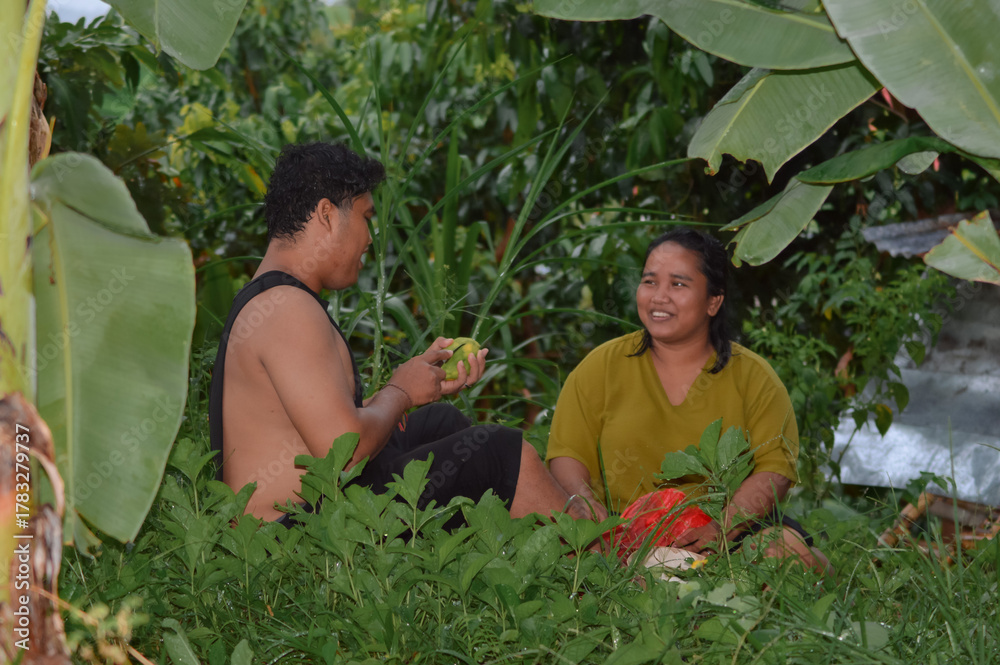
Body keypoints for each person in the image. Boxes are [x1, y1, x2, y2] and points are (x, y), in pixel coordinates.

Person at [209, 142, 591, 528]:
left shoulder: (272, 298)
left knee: (438, 422)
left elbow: (316, 428)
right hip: (286, 537)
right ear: (326, 214)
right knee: (499, 451)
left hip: (312, 510)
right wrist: (399, 392)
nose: (370, 238)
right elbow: (346, 452)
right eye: (365, 217)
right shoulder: (288, 309)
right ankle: (598, 565)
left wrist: (416, 386)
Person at [545, 228, 832, 574]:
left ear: (714, 301)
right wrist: (589, 513)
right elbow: (567, 455)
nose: (659, 297)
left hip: (732, 535)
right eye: (650, 282)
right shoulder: (601, 367)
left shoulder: (754, 377)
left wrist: (723, 527)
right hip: (623, 539)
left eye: (678, 284)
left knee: (779, 552)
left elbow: (775, 470)